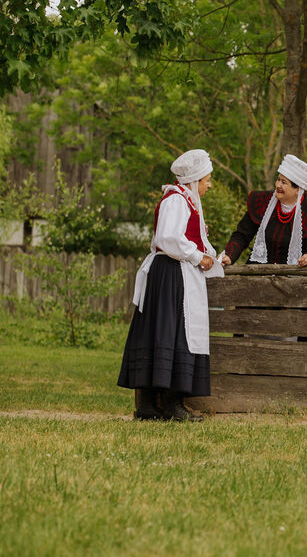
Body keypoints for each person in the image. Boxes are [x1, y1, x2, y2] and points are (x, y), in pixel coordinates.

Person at [118, 149, 222, 421]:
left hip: (175, 274)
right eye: (207, 179)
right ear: (195, 179)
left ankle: (155, 405)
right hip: (171, 275)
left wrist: (208, 255)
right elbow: (168, 237)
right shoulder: (175, 200)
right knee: (170, 333)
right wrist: (199, 256)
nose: (209, 184)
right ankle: (163, 404)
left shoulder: (185, 201)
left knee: (167, 332)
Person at [220, 154, 307, 266]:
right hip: (257, 272)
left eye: (284, 182)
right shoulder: (262, 202)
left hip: (293, 277)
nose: (277, 185)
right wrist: (229, 255)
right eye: (278, 180)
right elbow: (242, 236)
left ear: (298, 190)